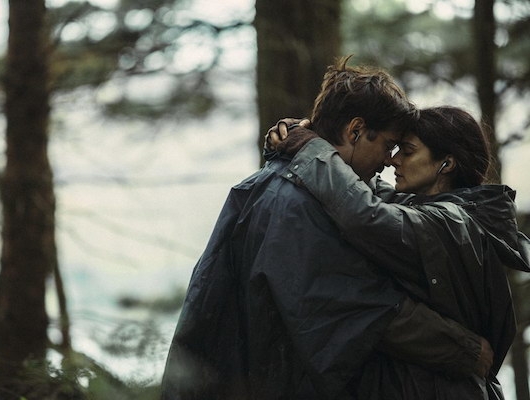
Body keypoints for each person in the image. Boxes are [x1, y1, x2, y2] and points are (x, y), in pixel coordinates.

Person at [160, 58, 493, 400]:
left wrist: (303, 145)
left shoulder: (282, 186)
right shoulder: (299, 204)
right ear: (355, 131)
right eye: (388, 144)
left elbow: (370, 207)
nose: (388, 160)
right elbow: (363, 307)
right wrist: (466, 351)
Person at [267, 105, 530, 399]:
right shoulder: (427, 209)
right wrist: (307, 137)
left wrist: (310, 148)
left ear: (446, 164)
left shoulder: (451, 223)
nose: (393, 160)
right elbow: (362, 188)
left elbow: (363, 214)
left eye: (407, 151)